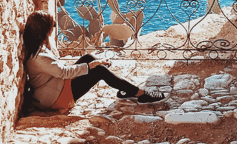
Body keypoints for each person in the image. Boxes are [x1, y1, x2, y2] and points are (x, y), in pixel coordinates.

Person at [23, 11, 167, 111]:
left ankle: (128, 90)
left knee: (88, 58)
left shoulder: (37, 48)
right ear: (42, 31)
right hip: (57, 98)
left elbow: (59, 71)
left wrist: (89, 63)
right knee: (97, 70)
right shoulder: (39, 57)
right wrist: (90, 66)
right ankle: (140, 93)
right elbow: (63, 72)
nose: (53, 28)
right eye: (51, 26)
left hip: (55, 87)